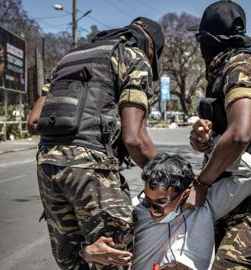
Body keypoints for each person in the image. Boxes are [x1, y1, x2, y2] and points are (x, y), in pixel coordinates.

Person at [27, 17, 164, 270]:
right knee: (115, 260)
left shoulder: (67, 59)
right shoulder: (133, 57)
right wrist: (167, 176)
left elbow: (34, 121)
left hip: (47, 164)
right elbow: (134, 138)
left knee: (73, 260)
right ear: (152, 47)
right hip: (92, 168)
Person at [187, 1, 251, 269]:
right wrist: (204, 140)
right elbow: (227, 137)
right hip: (231, 190)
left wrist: (201, 183)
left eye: (201, 40)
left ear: (208, 41)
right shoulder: (223, 73)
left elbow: (239, 135)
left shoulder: (241, 68)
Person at [131, 152, 251, 270]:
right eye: (147, 201)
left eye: (160, 203)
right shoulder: (136, 209)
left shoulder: (205, 205)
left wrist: (212, 147)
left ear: (184, 195)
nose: (151, 211)